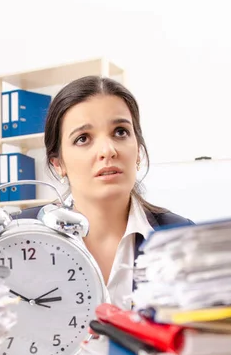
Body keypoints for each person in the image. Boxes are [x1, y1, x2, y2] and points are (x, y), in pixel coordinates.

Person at [17, 75, 194, 308]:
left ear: (138, 151)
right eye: (83, 138)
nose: (107, 150)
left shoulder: (184, 238)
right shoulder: (20, 238)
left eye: (120, 132)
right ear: (58, 163)